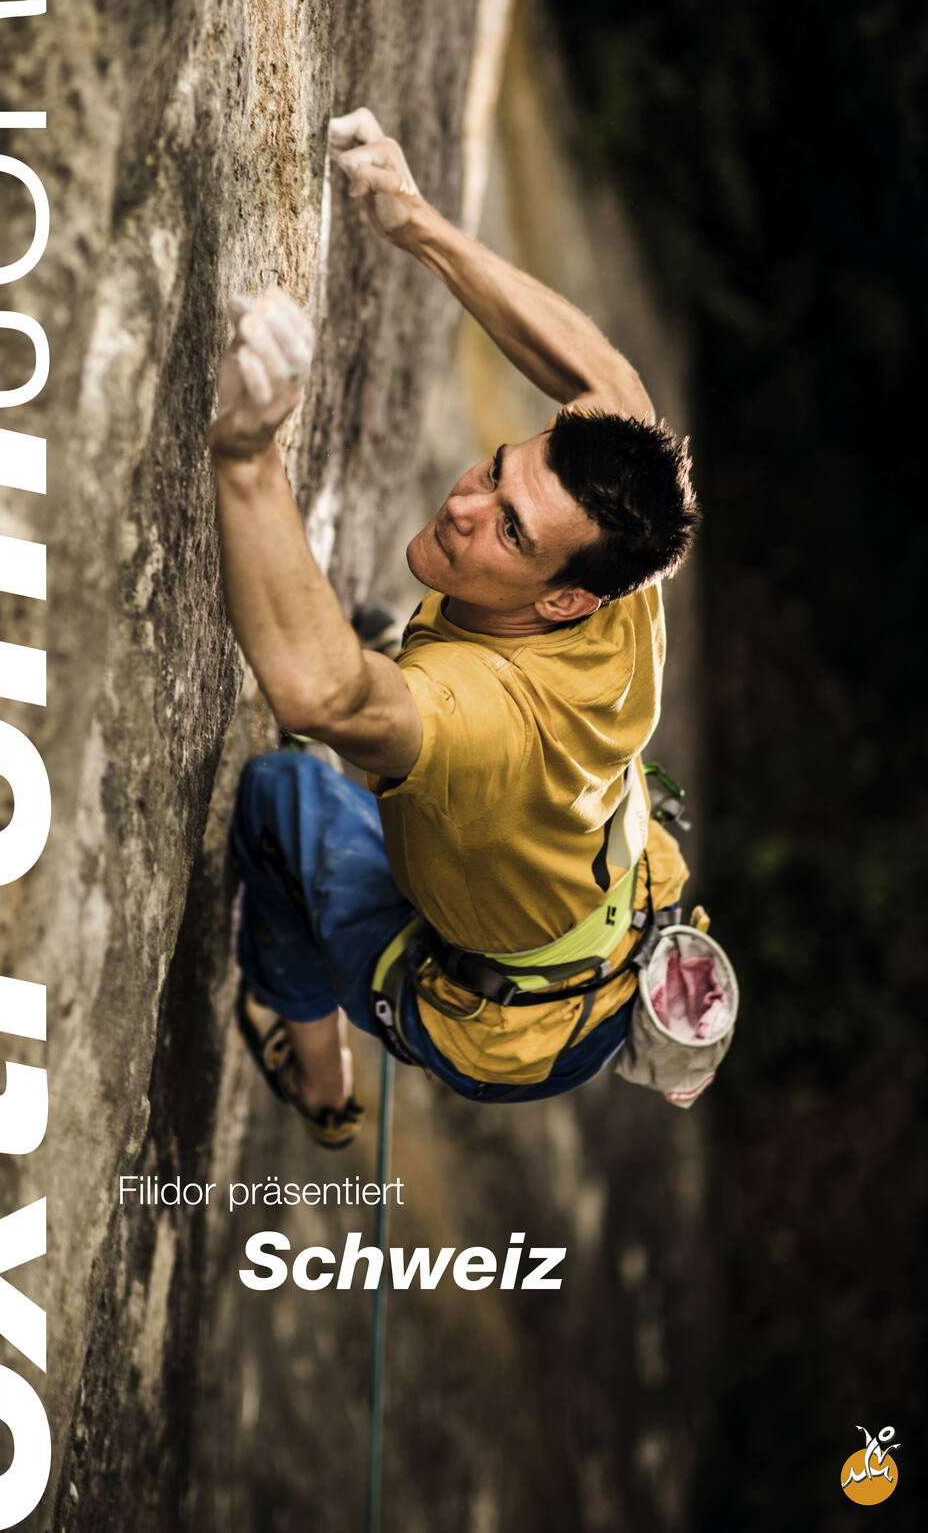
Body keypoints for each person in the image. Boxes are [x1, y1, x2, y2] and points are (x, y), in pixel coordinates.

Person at [209, 107, 699, 1145]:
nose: (464, 506)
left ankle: (320, 1080)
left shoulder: (485, 720)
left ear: (565, 600)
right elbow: (607, 383)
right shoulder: (617, 549)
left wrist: (247, 457)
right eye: (496, 469)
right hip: (613, 920)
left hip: (502, 1023)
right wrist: (416, 221)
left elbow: (324, 693)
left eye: (509, 529)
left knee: (281, 793)